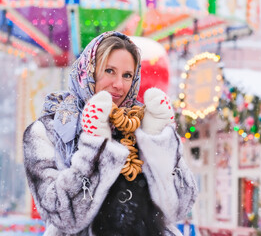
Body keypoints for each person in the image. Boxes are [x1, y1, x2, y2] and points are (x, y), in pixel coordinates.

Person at [23, 31, 198, 236]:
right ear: (88, 70)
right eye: (109, 71)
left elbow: (180, 207)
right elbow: (63, 216)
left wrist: (159, 142)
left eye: (127, 75)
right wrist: (95, 146)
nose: (119, 84)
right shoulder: (49, 132)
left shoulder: (140, 124)